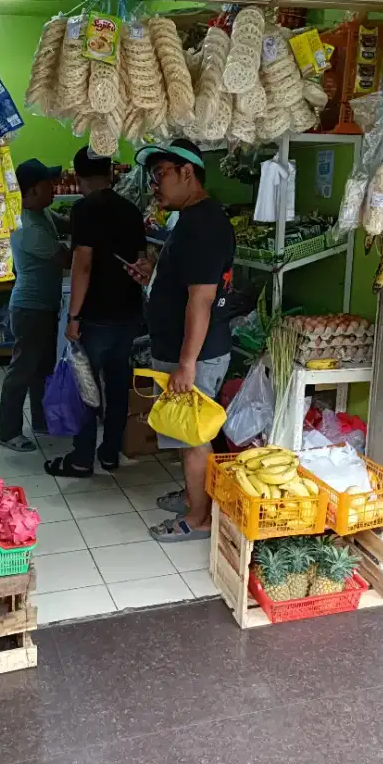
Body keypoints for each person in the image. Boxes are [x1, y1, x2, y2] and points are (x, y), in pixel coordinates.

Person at [132, 139, 235, 543]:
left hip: (195, 353)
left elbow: (202, 297)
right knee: (184, 432)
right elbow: (186, 284)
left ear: (187, 173)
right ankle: (196, 495)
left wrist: (187, 363)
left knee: (193, 438)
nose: (154, 184)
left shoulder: (204, 224)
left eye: (160, 175)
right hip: (181, 349)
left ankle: (200, 518)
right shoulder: (189, 221)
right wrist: (154, 277)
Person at [45, 147, 146, 478]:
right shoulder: (131, 210)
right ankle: (110, 453)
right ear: (111, 173)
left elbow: (83, 264)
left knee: (86, 386)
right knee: (117, 385)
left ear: (78, 177)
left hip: (97, 316)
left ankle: (81, 458)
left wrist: (73, 317)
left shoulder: (85, 209)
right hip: (129, 313)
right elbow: (142, 259)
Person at [0, 158, 69, 452]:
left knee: (43, 368)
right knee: (22, 371)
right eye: (49, 185)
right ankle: (9, 431)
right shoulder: (28, 226)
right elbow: (65, 259)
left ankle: (41, 421)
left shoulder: (42, 214)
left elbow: (67, 223)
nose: (55, 189)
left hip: (44, 305)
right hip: (30, 308)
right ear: (34, 190)